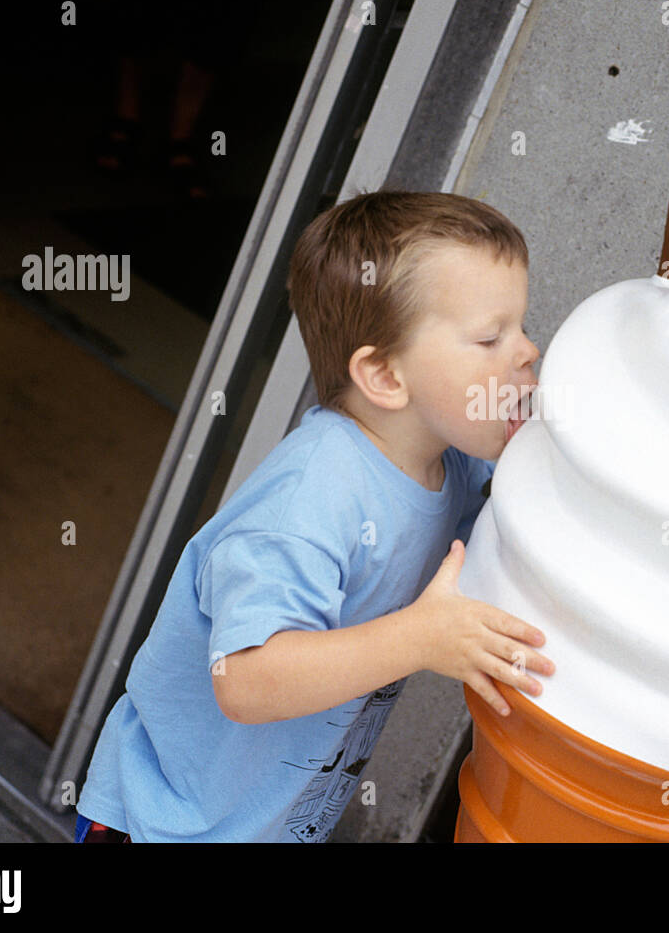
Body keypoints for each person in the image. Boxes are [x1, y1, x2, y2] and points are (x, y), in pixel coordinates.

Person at [75, 190, 550, 842]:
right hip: (168, 824)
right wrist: (422, 637)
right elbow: (245, 679)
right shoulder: (312, 500)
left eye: (523, 326)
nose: (526, 351)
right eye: (490, 337)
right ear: (383, 375)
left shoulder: (457, 466)